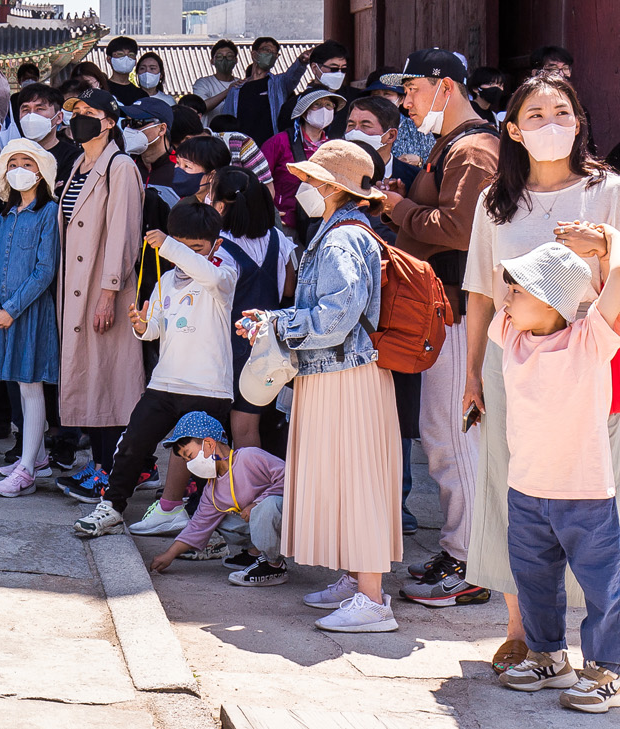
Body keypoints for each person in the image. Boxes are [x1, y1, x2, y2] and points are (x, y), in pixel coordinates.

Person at [457, 70, 620, 670]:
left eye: (561, 112)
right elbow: (478, 293)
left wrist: (605, 240)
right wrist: (472, 373)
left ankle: (597, 644)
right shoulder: (494, 201)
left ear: (578, 122)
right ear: (512, 129)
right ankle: (523, 629)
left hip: (589, 363)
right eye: (535, 115)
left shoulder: (607, 189)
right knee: (511, 488)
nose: (550, 125)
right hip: (510, 364)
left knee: (595, 495)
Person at [245, 140, 402, 634]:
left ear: (334, 188)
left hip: (343, 373)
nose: (304, 187)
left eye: (312, 180)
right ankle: (359, 582)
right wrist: (278, 321)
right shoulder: (344, 232)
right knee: (350, 476)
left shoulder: (338, 239)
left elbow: (335, 318)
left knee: (356, 478)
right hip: (343, 371)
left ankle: (373, 598)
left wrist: (279, 325)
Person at [379, 49, 500, 613]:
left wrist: (400, 207)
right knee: (443, 435)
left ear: (446, 86)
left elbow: (458, 229)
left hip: (457, 310)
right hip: (444, 310)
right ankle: (460, 551)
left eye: (413, 89)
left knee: (454, 438)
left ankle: (471, 562)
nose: (406, 101)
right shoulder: (455, 145)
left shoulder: (474, 149)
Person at [486, 234, 620, 712]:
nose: (506, 297)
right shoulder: (511, 336)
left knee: (604, 585)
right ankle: (548, 656)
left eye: (517, 290)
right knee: (534, 580)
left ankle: (607, 670)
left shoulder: (590, 339)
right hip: (526, 490)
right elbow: (495, 286)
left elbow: (618, 280)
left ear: (549, 299)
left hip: (584, 493)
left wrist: (605, 246)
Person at [75, 201, 237, 538]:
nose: (185, 253)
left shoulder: (223, 272)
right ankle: (113, 506)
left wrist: (171, 246)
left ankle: (206, 530)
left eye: (197, 247)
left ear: (215, 245)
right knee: (133, 443)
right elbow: (156, 330)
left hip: (208, 388)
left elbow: (203, 270)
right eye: (180, 243)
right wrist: (142, 326)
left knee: (203, 461)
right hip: (164, 383)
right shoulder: (165, 279)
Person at [54, 89, 146, 501]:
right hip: (74, 286)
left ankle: (113, 474)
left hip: (101, 286)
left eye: (89, 113)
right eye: (76, 112)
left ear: (109, 121)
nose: (79, 119)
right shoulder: (79, 162)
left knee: (109, 380)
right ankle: (98, 467)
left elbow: (125, 234)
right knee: (89, 378)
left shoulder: (120, 166)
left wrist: (109, 292)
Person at [0, 139, 61, 497]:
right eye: (13, 162)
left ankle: (27, 469)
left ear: (41, 172)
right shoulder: (5, 214)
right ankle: (38, 456)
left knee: (31, 387)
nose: (19, 169)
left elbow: (45, 271)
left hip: (27, 314)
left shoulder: (49, 213)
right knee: (18, 382)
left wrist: (11, 309)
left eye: (27, 163)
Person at [147, 412, 289, 588]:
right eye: (185, 460)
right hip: (261, 523)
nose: (189, 464)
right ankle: (255, 553)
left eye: (189, 456)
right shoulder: (212, 489)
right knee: (218, 516)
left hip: (287, 520)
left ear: (209, 444)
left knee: (268, 506)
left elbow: (290, 479)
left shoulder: (249, 457)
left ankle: (274, 565)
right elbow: (199, 525)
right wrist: (169, 554)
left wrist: (257, 503)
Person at [210, 166, 293, 455]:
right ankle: (260, 491)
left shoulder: (218, 249)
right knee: (257, 425)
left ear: (220, 205)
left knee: (231, 428)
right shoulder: (279, 241)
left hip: (228, 350)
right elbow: (289, 293)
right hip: (271, 347)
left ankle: (238, 493)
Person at [262, 88, 344, 236]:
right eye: (317, 104)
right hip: (284, 226)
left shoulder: (335, 148)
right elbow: (259, 179)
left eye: (328, 105)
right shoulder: (279, 142)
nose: (323, 109)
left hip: (322, 227)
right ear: (304, 112)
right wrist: (269, 212)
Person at [192, 40, 245, 122]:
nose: (224, 60)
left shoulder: (242, 84)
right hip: (209, 134)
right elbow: (202, 107)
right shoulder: (203, 83)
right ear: (212, 61)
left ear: (236, 60)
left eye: (229, 56)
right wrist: (228, 91)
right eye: (219, 57)